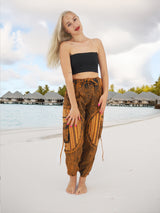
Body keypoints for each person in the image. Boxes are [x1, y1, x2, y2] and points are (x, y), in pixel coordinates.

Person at [46, 10, 109, 195]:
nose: (74, 23)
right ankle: (72, 178)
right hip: (76, 94)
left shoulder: (97, 42)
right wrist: (73, 105)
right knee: (73, 139)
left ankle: (83, 180)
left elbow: (104, 72)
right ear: (65, 30)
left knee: (92, 138)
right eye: (68, 23)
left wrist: (105, 94)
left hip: (97, 94)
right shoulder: (66, 46)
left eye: (75, 19)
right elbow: (67, 77)